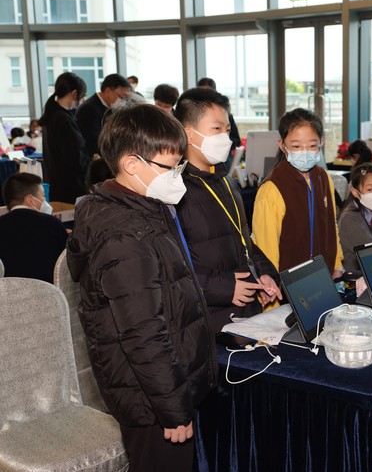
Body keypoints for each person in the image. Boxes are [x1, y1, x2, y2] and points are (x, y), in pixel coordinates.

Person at [67, 104, 217, 472]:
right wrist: (173, 408)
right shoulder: (125, 235)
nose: (178, 177)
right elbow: (143, 333)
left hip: (160, 386)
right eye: (169, 168)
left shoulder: (144, 207)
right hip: (150, 399)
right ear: (132, 164)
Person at [174, 88, 281, 332]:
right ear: (189, 134)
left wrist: (263, 275)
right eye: (216, 129)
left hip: (244, 311)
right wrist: (225, 288)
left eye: (227, 130)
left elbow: (244, 243)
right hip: (208, 318)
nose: (226, 137)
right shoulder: (174, 190)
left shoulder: (226, 181)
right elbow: (173, 269)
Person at [253, 108, 344, 277]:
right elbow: (265, 248)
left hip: (324, 275)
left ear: (321, 143)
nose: (304, 152)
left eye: (311, 145)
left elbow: (332, 225)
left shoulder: (323, 178)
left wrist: (337, 263)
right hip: (288, 285)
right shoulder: (272, 188)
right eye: (296, 146)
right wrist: (273, 293)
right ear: (282, 145)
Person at [0, 172, 67, 283]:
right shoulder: (52, 224)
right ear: (30, 200)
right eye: (43, 196)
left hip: (7, 297)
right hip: (50, 295)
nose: (45, 201)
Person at [39, 72, 91, 203]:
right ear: (74, 94)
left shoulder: (51, 115)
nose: (83, 100)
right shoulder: (64, 120)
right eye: (82, 96)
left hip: (56, 184)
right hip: (71, 187)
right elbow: (75, 159)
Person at [76, 73, 133, 156]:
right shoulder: (88, 109)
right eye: (122, 97)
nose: (124, 102)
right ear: (108, 91)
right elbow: (93, 142)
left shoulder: (109, 107)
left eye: (126, 99)